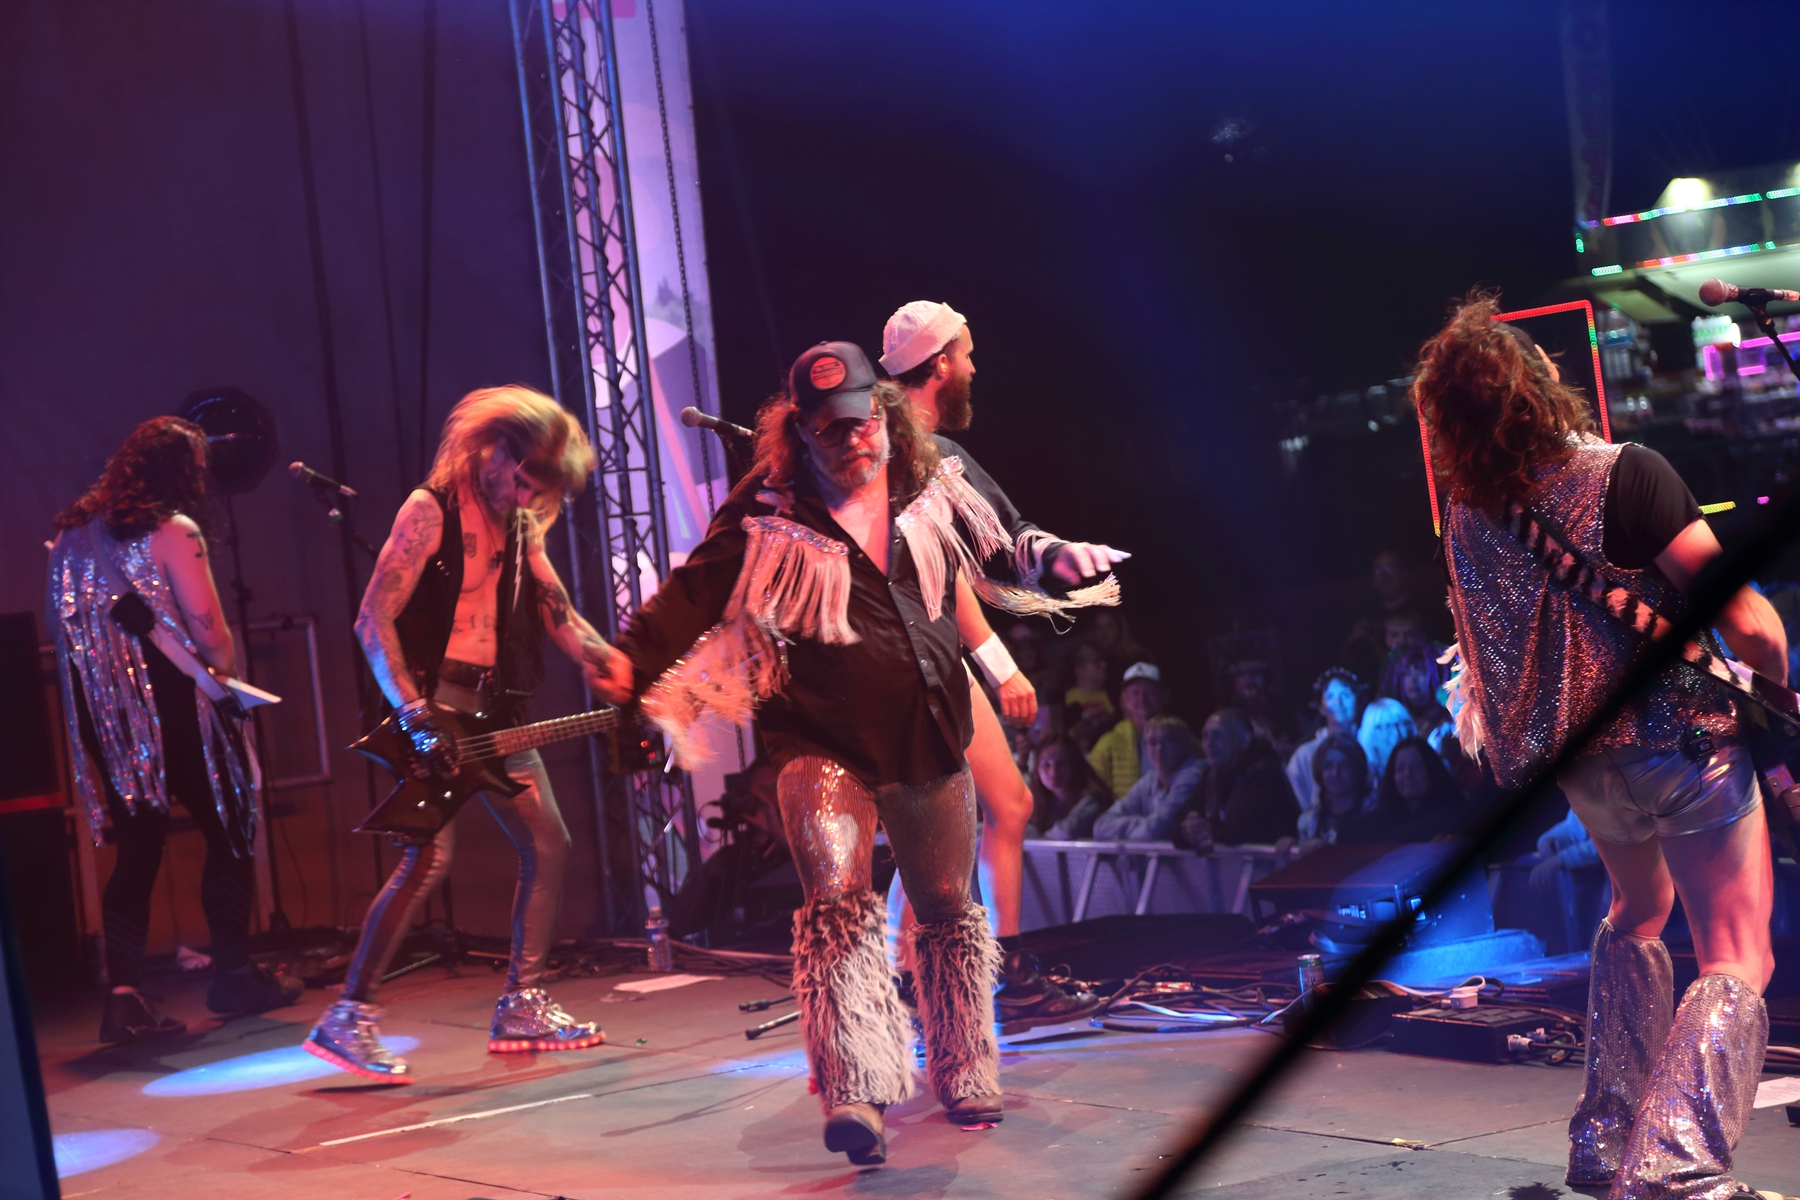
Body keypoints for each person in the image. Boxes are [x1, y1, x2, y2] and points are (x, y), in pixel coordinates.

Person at [597, 342, 1101, 1163]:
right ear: (801, 431)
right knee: (836, 904)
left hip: (926, 730)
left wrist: (1055, 559)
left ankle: (964, 1065)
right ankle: (854, 1088)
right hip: (820, 738)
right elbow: (694, 591)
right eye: (831, 431)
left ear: (885, 411)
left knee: (947, 908)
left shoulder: (935, 474)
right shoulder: (769, 506)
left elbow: (1006, 538)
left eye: (863, 423)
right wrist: (631, 665)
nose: (853, 442)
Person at [1418, 295, 1788, 1198]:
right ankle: (1674, 1164)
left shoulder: (1468, 516)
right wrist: (1780, 690)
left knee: (1638, 909)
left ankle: (1608, 1137)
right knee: (1739, 951)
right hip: (1684, 746)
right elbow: (1746, 623)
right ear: (1538, 383)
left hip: (1586, 766)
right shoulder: (1626, 474)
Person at [303, 386, 611, 1082]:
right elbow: (372, 619)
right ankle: (348, 1016)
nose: (524, 497)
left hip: (495, 712)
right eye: (520, 480)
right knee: (426, 861)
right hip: (431, 707)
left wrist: (612, 664)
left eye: (537, 490)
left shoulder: (521, 525)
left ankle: (523, 1004)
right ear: (493, 449)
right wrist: (415, 715)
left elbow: (558, 612)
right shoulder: (430, 510)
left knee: (547, 843)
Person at [881, 301, 1121, 1027]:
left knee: (1005, 806)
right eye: (967, 354)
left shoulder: (914, 453)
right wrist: (1000, 663)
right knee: (936, 831)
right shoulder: (912, 456)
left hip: (930, 660)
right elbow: (970, 560)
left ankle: (992, 976)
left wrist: (998, 656)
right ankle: (915, 981)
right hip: (910, 667)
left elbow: (959, 562)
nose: (974, 367)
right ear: (940, 365)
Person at [48, 417, 298, 1043]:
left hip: (111, 719)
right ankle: (234, 975)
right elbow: (209, 630)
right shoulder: (174, 531)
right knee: (230, 829)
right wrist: (226, 682)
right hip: (179, 706)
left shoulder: (72, 537)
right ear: (184, 472)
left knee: (137, 850)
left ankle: (123, 999)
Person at [1171, 708, 1297, 847]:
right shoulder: (1210, 776)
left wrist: (1207, 831)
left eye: (1218, 735)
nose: (1209, 743)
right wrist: (1188, 826)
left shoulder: (1266, 774)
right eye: (1205, 735)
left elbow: (1246, 831)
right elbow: (1177, 826)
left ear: (1244, 739)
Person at [1093, 716, 1205, 842]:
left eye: (1167, 740)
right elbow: (1100, 826)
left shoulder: (1194, 774)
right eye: (1152, 742)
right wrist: (1143, 823)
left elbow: (1154, 830)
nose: (1159, 748)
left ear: (1184, 744)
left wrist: (1131, 828)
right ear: (1145, 747)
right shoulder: (1149, 780)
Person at [1286, 668, 1361, 832]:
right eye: (1330, 696)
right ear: (1320, 707)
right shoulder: (1305, 755)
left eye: (1346, 695)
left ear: (1357, 700)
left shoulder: (1371, 744)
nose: (1338, 702)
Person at [1089, 661, 1167, 799]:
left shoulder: (1182, 739)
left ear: (1164, 695)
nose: (1142, 699)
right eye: (1135, 693)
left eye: (1149, 692)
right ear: (1124, 699)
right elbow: (1092, 792)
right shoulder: (1108, 745)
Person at [1368, 735, 1467, 842]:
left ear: (1431, 770)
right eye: (1400, 768)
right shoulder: (1380, 820)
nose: (1407, 774)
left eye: (1416, 766)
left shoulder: (1453, 816)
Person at [1298, 734, 1378, 845]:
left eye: (1344, 765)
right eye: (1328, 766)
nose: (1335, 773)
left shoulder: (1375, 812)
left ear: (1357, 768)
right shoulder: (1309, 820)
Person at [1028, 736, 1114, 840]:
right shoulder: (1038, 801)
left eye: (1061, 764)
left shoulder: (1092, 801)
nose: (1053, 772)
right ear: (1036, 768)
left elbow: (1068, 831)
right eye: (1046, 764)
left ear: (1074, 765)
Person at [1356, 696, 1415, 797]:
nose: (1397, 733)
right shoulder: (1362, 779)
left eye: (1402, 724)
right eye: (1386, 726)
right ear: (1370, 733)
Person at [1063, 642, 1116, 750]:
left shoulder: (1111, 695)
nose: (1103, 665)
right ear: (1079, 669)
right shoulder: (1067, 698)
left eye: (1103, 661)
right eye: (1096, 662)